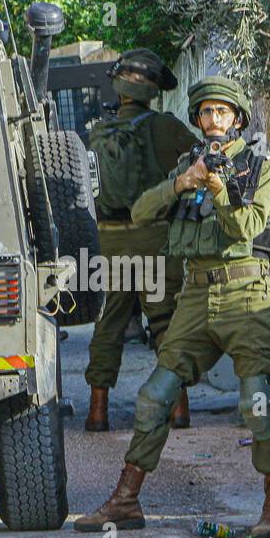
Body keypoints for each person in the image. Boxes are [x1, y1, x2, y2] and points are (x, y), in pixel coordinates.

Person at [75, 76, 270, 538]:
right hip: (195, 297)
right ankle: (126, 499)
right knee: (155, 394)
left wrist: (217, 186)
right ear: (197, 119)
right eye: (206, 113)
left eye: (222, 112)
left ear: (237, 118)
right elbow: (139, 212)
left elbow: (247, 226)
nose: (213, 120)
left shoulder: (261, 165)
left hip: (246, 294)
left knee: (257, 399)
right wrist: (182, 181)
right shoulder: (187, 163)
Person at [84, 48, 196, 432]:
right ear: (152, 91)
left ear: (119, 89)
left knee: (109, 323)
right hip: (156, 239)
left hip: (109, 241)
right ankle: (178, 409)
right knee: (166, 321)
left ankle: (97, 411)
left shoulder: (98, 132)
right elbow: (199, 162)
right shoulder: (166, 127)